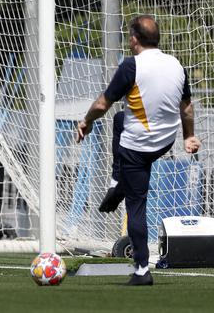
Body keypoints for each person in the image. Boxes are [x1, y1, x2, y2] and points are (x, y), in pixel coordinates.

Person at [76, 15, 201, 286]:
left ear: (134, 39)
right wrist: (189, 137)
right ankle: (119, 184)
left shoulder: (131, 66)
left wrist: (85, 121)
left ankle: (142, 269)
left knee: (136, 205)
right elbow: (187, 107)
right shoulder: (176, 64)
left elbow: (102, 104)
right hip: (165, 141)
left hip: (137, 149)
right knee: (122, 120)